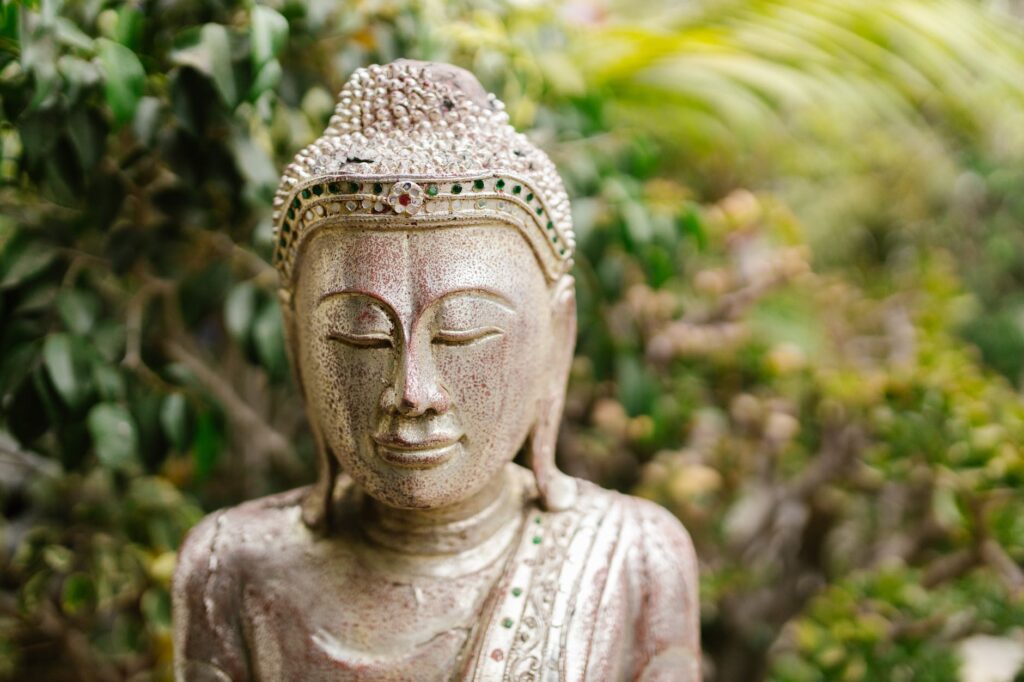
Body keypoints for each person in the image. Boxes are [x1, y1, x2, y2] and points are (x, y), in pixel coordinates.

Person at [172, 60, 700, 681]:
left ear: (558, 334)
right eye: (360, 338)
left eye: (462, 333)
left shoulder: (634, 560)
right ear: (297, 342)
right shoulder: (230, 567)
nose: (412, 392)